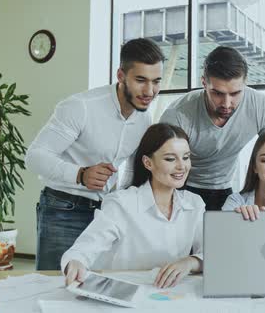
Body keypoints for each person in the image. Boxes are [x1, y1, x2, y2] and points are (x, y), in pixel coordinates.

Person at [25, 38, 165, 270]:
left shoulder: (144, 118)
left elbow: (130, 167)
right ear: (121, 75)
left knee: (97, 285)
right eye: (141, 80)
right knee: (53, 286)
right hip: (62, 209)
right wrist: (80, 174)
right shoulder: (81, 107)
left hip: (106, 213)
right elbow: (34, 156)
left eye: (156, 81)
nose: (149, 91)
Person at [62, 123, 205, 289]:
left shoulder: (194, 203)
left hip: (165, 295)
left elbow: (213, 254)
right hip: (122, 293)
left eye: (186, 157)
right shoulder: (122, 203)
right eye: (170, 159)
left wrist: (189, 262)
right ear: (148, 163)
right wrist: (75, 263)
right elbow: (85, 248)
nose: (182, 166)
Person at [160, 46, 265, 211]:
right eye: (217, 93)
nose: (226, 103)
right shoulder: (178, 114)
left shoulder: (259, 106)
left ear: (245, 83)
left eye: (235, 93)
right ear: (204, 82)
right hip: (181, 186)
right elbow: (161, 166)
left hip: (223, 188)